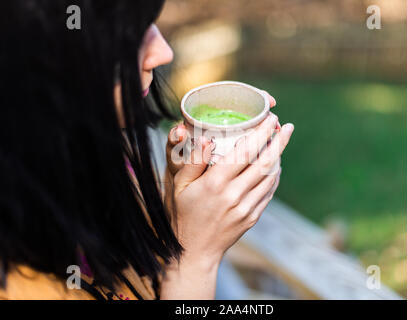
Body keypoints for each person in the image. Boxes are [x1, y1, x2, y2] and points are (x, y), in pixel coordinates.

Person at [0, 0, 294, 300]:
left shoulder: (98, 156)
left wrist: (173, 207)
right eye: (125, 38)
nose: (163, 52)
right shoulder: (22, 284)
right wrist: (195, 261)